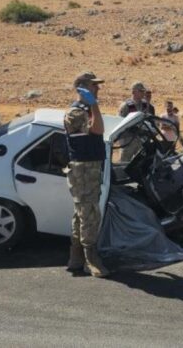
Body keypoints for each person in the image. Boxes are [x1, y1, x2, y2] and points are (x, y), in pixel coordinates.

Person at [64, 71, 109, 278]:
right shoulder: (75, 112)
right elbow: (98, 130)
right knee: (89, 213)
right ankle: (90, 259)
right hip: (83, 169)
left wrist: (91, 105)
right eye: (93, 85)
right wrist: (94, 105)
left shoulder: (84, 109)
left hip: (89, 167)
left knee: (81, 213)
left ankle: (76, 257)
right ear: (82, 88)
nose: (97, 89)